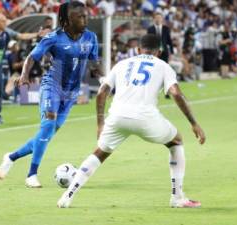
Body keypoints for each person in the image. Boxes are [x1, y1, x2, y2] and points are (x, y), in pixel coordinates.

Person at [57, 34, 206, 208]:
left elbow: (101, 93)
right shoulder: (163, 66)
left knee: (100, 153)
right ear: (159, 52)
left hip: (117, 117)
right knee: (176, 141)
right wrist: (194, 123)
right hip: (146, 118)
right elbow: (176, 93)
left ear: (138, 49)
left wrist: (100, 123)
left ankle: (67, 196)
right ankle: (177, 197)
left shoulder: (121, 65)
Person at [0, 2, 101, 188]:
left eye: (86, 15)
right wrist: (25, 74)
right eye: (80, 16)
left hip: (71, 93)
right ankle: (31, 175)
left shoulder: (90, 37)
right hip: (52, 86)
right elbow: (31, 57)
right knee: (48, 124)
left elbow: (93, 64)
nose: (85, 19)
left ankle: (11, 157)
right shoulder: (54, 38)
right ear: (68, 20)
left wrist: (104, 80)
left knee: (47, 133)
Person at [0, 13, 48, 125]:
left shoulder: (7, 32)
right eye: (2, 21)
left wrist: (36, 34)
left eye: (5, 21)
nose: (5, 23)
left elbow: (21, 36)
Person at [147, 12, 173, 98]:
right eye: (156, 18)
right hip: (154, 53)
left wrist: (171, 52)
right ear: (154, 19)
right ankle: (152, 92)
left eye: (159, 18)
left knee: (165, 72)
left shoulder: (166, 29)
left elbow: (169, 41)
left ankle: (167, 92)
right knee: (154, 72)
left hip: (164, 52)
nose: (158, 19)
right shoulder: (150, 29)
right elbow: (148, 41)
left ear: (162, 19)